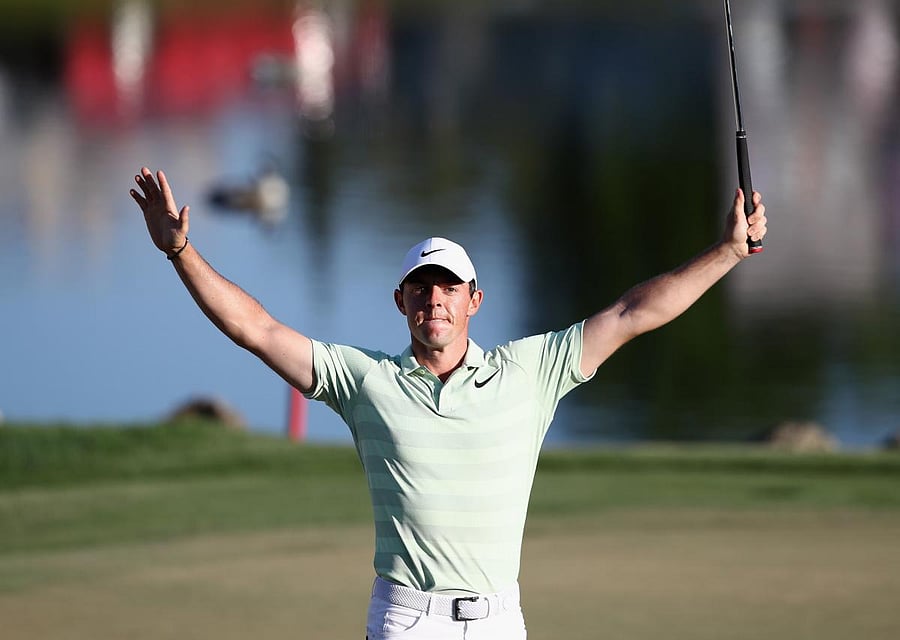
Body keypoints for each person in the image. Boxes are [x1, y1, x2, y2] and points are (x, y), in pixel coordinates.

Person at [130, 166, 767, 640]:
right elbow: (258, 330)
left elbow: (633, 312)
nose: (434, 300)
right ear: (401, 302)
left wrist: (729, 251)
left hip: (498, 619)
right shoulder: (364, 380)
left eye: (448, 288)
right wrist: (181, 252)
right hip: (408, 618)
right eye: (420, 288)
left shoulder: (531, 372)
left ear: (474, 301)